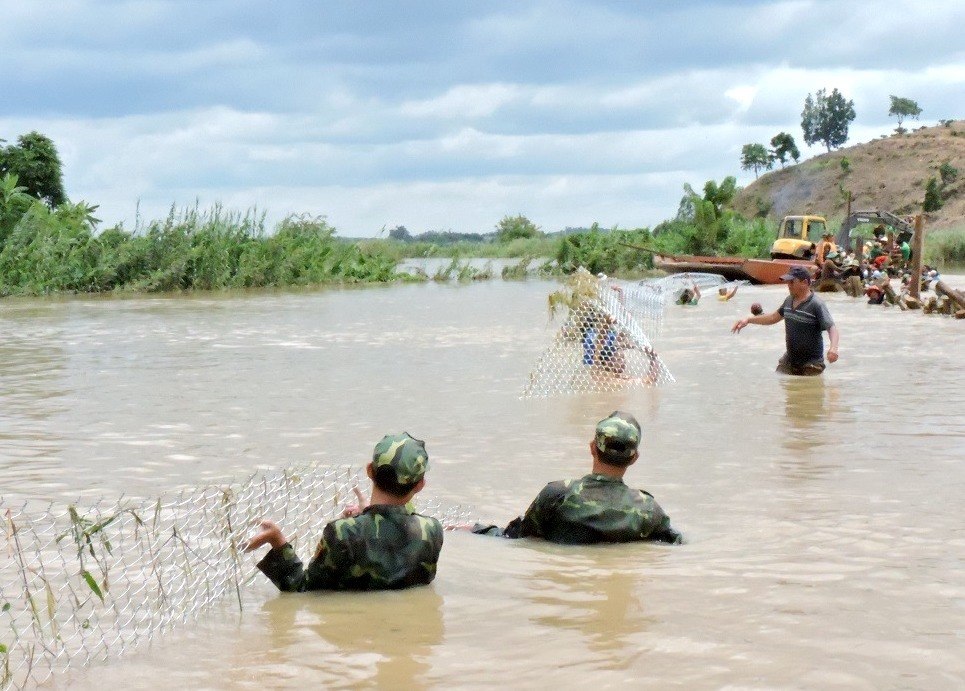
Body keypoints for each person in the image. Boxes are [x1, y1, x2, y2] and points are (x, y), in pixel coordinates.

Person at [245, 432, 443, 591]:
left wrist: (277, 541)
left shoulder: (342, 532)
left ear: (369, 471)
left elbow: (300, 588)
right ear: (420, 485)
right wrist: (370, 515)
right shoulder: (433, 531)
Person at [471, 411, 682, 545]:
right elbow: (675, 542)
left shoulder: (558, 494)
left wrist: (472, 529)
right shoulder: (649, 510)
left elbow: (514, 537)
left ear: (592, 448)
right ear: (634, 458)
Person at [731, 265, 839, 376]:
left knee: (808, 390)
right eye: (787, 282)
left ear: (805, 282)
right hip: (790, 360)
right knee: (779, 382)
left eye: (792, 282)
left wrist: (833, 348)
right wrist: (748, 320)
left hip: (811, 363)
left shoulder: (816, 304)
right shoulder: (788, 301)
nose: (788, 285)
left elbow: (831, 328)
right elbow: (773, 317)